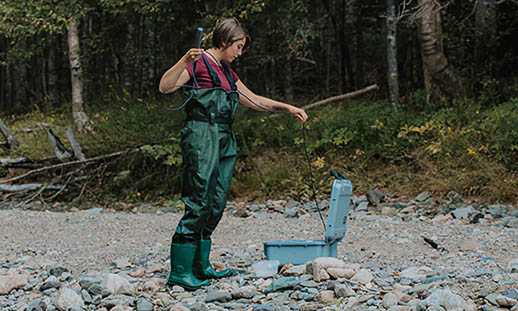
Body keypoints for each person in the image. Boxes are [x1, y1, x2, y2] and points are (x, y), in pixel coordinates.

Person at [158, 17, 307, 290]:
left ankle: (201, 267)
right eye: (238, 47)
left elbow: (254, 99)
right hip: (202, 135)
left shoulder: (226, 71)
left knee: (216, 202)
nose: (240, 53)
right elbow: (165, 87)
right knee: (199, 199)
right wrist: (182, 61)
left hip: (225, 137)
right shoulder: (198, 63)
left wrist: (288, 108)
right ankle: (180, 273)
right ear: (224, 41)